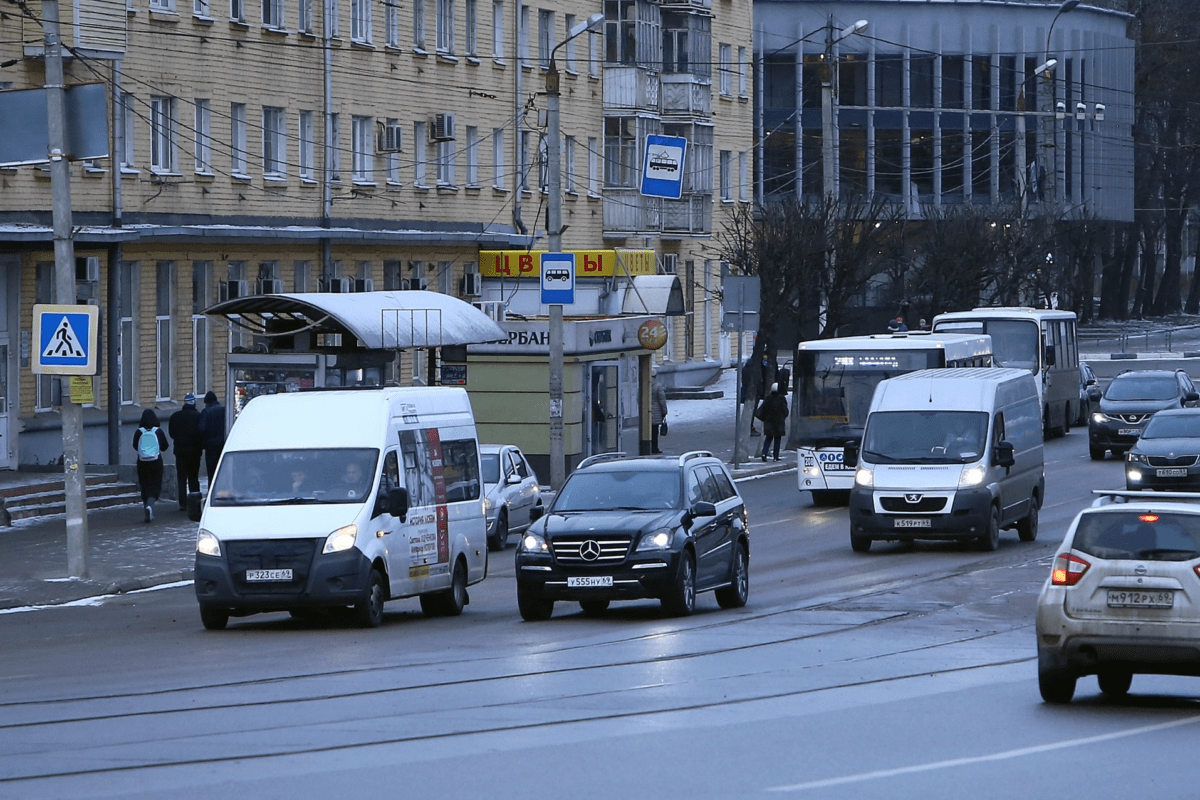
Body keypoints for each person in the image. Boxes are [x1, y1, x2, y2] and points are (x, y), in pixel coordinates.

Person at [133, 409, 170, 523]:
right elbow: (165, 446)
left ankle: (146, 508)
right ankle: (150, 507)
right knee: (155, 484)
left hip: (142, 461)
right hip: (156, 461)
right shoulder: (158, 431)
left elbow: (135, 446)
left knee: (144, 484)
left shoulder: (139, 432)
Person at [168, 393, 202, 511]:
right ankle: (195, 501)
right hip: (194, 452)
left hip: (180, 451)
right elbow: (201, 432)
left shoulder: (175, 416)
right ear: (194, 403)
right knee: (193, 477)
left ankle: (182, 503)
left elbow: (171, 433)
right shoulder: (198, 416)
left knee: (181, 478)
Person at [755, 382, 789, 462]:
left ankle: (764, 453)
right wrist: (783, 417)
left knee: (768, 439)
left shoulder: (768, 398)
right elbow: (785, 411)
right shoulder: (781, 399)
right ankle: (775, 457)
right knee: (777, 439)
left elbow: (761, 410)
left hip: (769, 422)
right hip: (779, 423)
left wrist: (764, 419)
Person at [197, 390, 226, 484]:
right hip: (223, 445)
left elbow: (202, 429)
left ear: (207, 402)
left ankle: (212, 492)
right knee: (222, 470)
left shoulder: (206, 412)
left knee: (211, 473)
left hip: (210, 447)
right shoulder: (224, 410)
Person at [650, 365, 669, 454]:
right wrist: (664, 411)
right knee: (655, 431)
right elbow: (662, 400)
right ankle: (654, 448)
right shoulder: (658, 386)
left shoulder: (645, 384)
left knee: (648, 431)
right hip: (656, 411)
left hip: (647, 412)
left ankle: (649, 447)